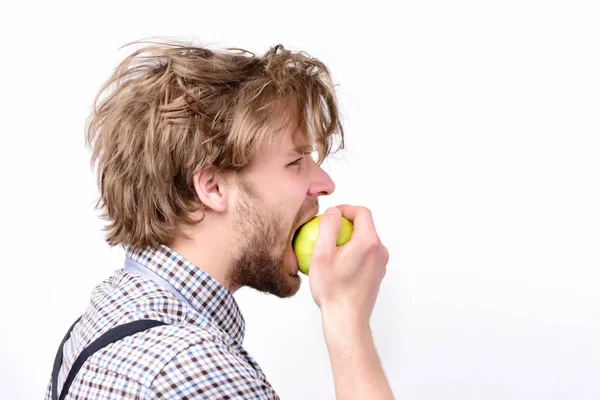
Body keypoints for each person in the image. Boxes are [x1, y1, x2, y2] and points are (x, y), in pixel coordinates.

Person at [46, 40, 393, 400]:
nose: (325, 185)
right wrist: (346, 317)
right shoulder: (190, 369)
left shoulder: (107, 316)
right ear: (212, 186)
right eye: (295, 162)